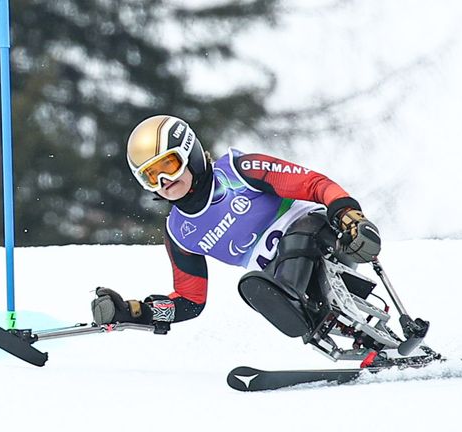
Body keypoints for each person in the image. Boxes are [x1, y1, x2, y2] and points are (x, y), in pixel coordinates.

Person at [91, 115, 381, 338]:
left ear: (189, 153)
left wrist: (347, 214)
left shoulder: (239, 171)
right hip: (287, 279)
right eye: (150, 176)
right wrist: (135, 313)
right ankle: (342, 328)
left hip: (328, 242)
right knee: (264, 283)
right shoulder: (179, 232)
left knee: (298, 236)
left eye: (169, 165)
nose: (164, 181)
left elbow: (313, 184)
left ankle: (294, 306)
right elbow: (190, 300)